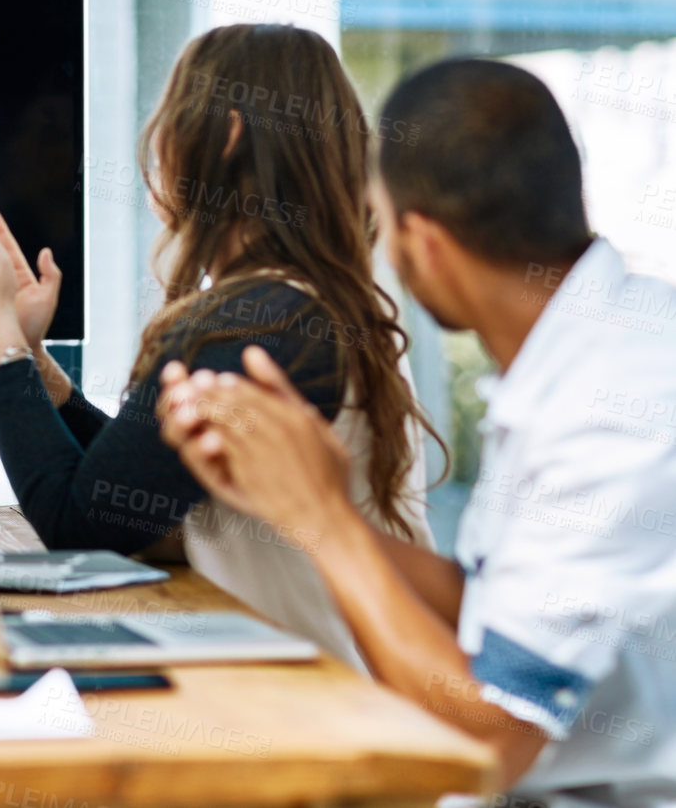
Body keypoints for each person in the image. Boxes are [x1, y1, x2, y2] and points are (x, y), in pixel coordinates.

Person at [156, 58, 676, 806]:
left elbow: (489, 741)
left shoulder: (614, 403)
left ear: (423, 243)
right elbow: (497, 606)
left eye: (381, 220)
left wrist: (325, 520)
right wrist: (296, 495)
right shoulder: (594, 346)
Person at [0, 23, 438, 667]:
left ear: (228, 135)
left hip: (309, 694)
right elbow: (130, 488)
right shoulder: (302, 302)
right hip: (313, 674)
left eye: (173, 118)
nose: (158, 144)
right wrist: (31, 361)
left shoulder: (252, 322)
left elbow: (80, 523)